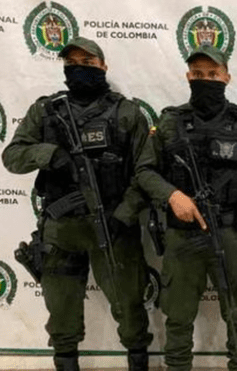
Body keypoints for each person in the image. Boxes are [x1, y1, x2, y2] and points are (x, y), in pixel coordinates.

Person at [2, 36, 153, 371]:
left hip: (114, 226)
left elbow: (147, 172)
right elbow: (11, 156)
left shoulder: (126, 113)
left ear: (103, 66)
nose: (79, 69)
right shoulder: (46, 111)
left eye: (88, 63)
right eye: (72, 64)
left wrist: (124, 214)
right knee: (62, 315)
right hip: (62, 230)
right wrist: (49, 153)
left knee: (130, 309)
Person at [134, 44, 237, 371]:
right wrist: (172, 195)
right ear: (188, 76)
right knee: (178, 316)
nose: (205, 79)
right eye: (198, 74)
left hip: (231, 234)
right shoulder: (170, 122)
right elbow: (144, 171)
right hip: (183, 236)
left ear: (226, 76)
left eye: (212, 74)